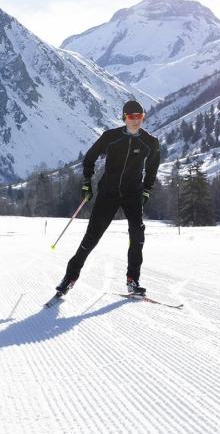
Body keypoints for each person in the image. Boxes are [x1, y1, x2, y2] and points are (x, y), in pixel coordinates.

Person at [55, 100, 160, 296]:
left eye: (139, 116)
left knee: (137, 237)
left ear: (143, 117)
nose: (135, 120)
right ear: (124, 118)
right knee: (91, 237)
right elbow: (89, 158)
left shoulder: (150, 142)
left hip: (133, 194)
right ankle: (69, 277)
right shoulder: (111, 137)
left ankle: (133, 280)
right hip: (108, 193)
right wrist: (87, 181)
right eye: (131, 117)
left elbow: (153, 168)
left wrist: (146, 190)